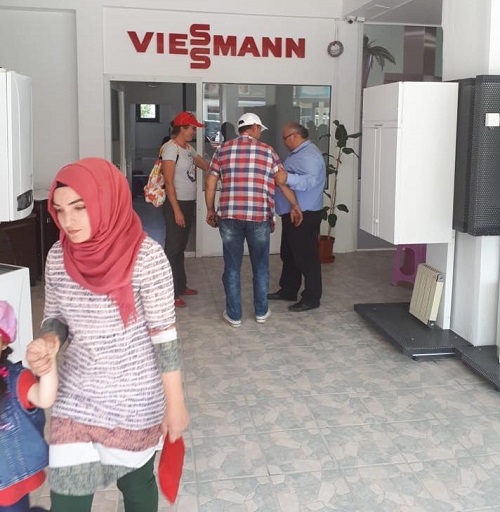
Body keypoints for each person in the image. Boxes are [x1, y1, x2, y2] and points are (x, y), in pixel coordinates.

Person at [26, 158, 189, 512]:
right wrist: (50, 340)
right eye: (59, 210)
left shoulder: (147, 258)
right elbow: (55, 317)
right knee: (68, 494)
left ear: (105, 202)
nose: (68, 221)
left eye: (79, 208)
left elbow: (164, 338)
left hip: (134, 399)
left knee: (136, 485)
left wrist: (175, 404)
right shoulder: (58, 257)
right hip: (77, 396)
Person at [205, 112, 303, 327]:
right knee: (260, 266)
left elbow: (210, 182)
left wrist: (210, 209)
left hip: (229, 216)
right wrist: (295, 205)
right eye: (260, 129)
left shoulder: (222, 150)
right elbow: (281, 182)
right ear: (255, 128)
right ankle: (261, 312)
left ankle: (234, 315)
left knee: (232, 267)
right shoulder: (268, 151)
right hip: (259, 217)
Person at [0, 300, 58, 512]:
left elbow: (45, 398)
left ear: (3, 344)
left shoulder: (16, 380)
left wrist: (47, 365)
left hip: (9, 491)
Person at [270, 122, 326, 312]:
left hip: (305, 214)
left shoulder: (309, 155)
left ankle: (311, 298)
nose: (283, 142)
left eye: (285, 138)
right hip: (293, 212)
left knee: (306, 257)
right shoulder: (298, 154)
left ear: (295, 136)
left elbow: (310, 181)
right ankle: (288, 289)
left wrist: (287, 178)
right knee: (289, 254)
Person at [162, 111, 210, 308]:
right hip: (176, 203)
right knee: (173, 249)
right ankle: (170, 293)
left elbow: (204, 165)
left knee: (180, 247)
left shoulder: (188, 149)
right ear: (182, 128)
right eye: (191, 129)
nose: (193, 132)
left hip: (188, 202)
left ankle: (181, 286)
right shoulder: (170, 149)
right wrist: (177, 210)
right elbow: (168, 182)